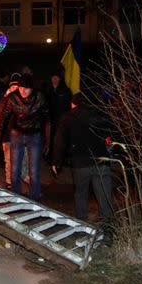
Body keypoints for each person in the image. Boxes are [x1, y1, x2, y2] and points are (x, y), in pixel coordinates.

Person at [51, 93, 114, 222]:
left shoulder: (68, 116)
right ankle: (108, 227)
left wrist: (56, 161)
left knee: (81, 192)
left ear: (74, 104)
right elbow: (112, 135)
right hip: (101, 161)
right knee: (104, 196)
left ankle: (81, 222)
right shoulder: (102, 113)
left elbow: (60, 140)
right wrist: (109, 152)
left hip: (80, 163)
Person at [0, 73, 49, 200]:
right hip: (17, 134)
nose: (22, 91)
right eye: (20, 87)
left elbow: (48, 120)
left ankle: (34, 199)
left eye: (26, 88)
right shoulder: (12, 97)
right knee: (15, 170)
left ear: (32, 88)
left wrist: (47, 141)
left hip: (34, 135)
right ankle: (16, 198)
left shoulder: (40, 97)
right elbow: (3, 119)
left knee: (34, 170)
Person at [45, 73, 72, 158]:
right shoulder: (47, 90)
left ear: (60, 79)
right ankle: (51, 157)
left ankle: (63, 158)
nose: (55, 80)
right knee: (50, 139)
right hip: (51, 119)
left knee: (62, 138)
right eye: (53, 77)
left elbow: (68, 104)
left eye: (56, 78)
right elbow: (45, 104)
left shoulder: (65, 90)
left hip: (62, 119)